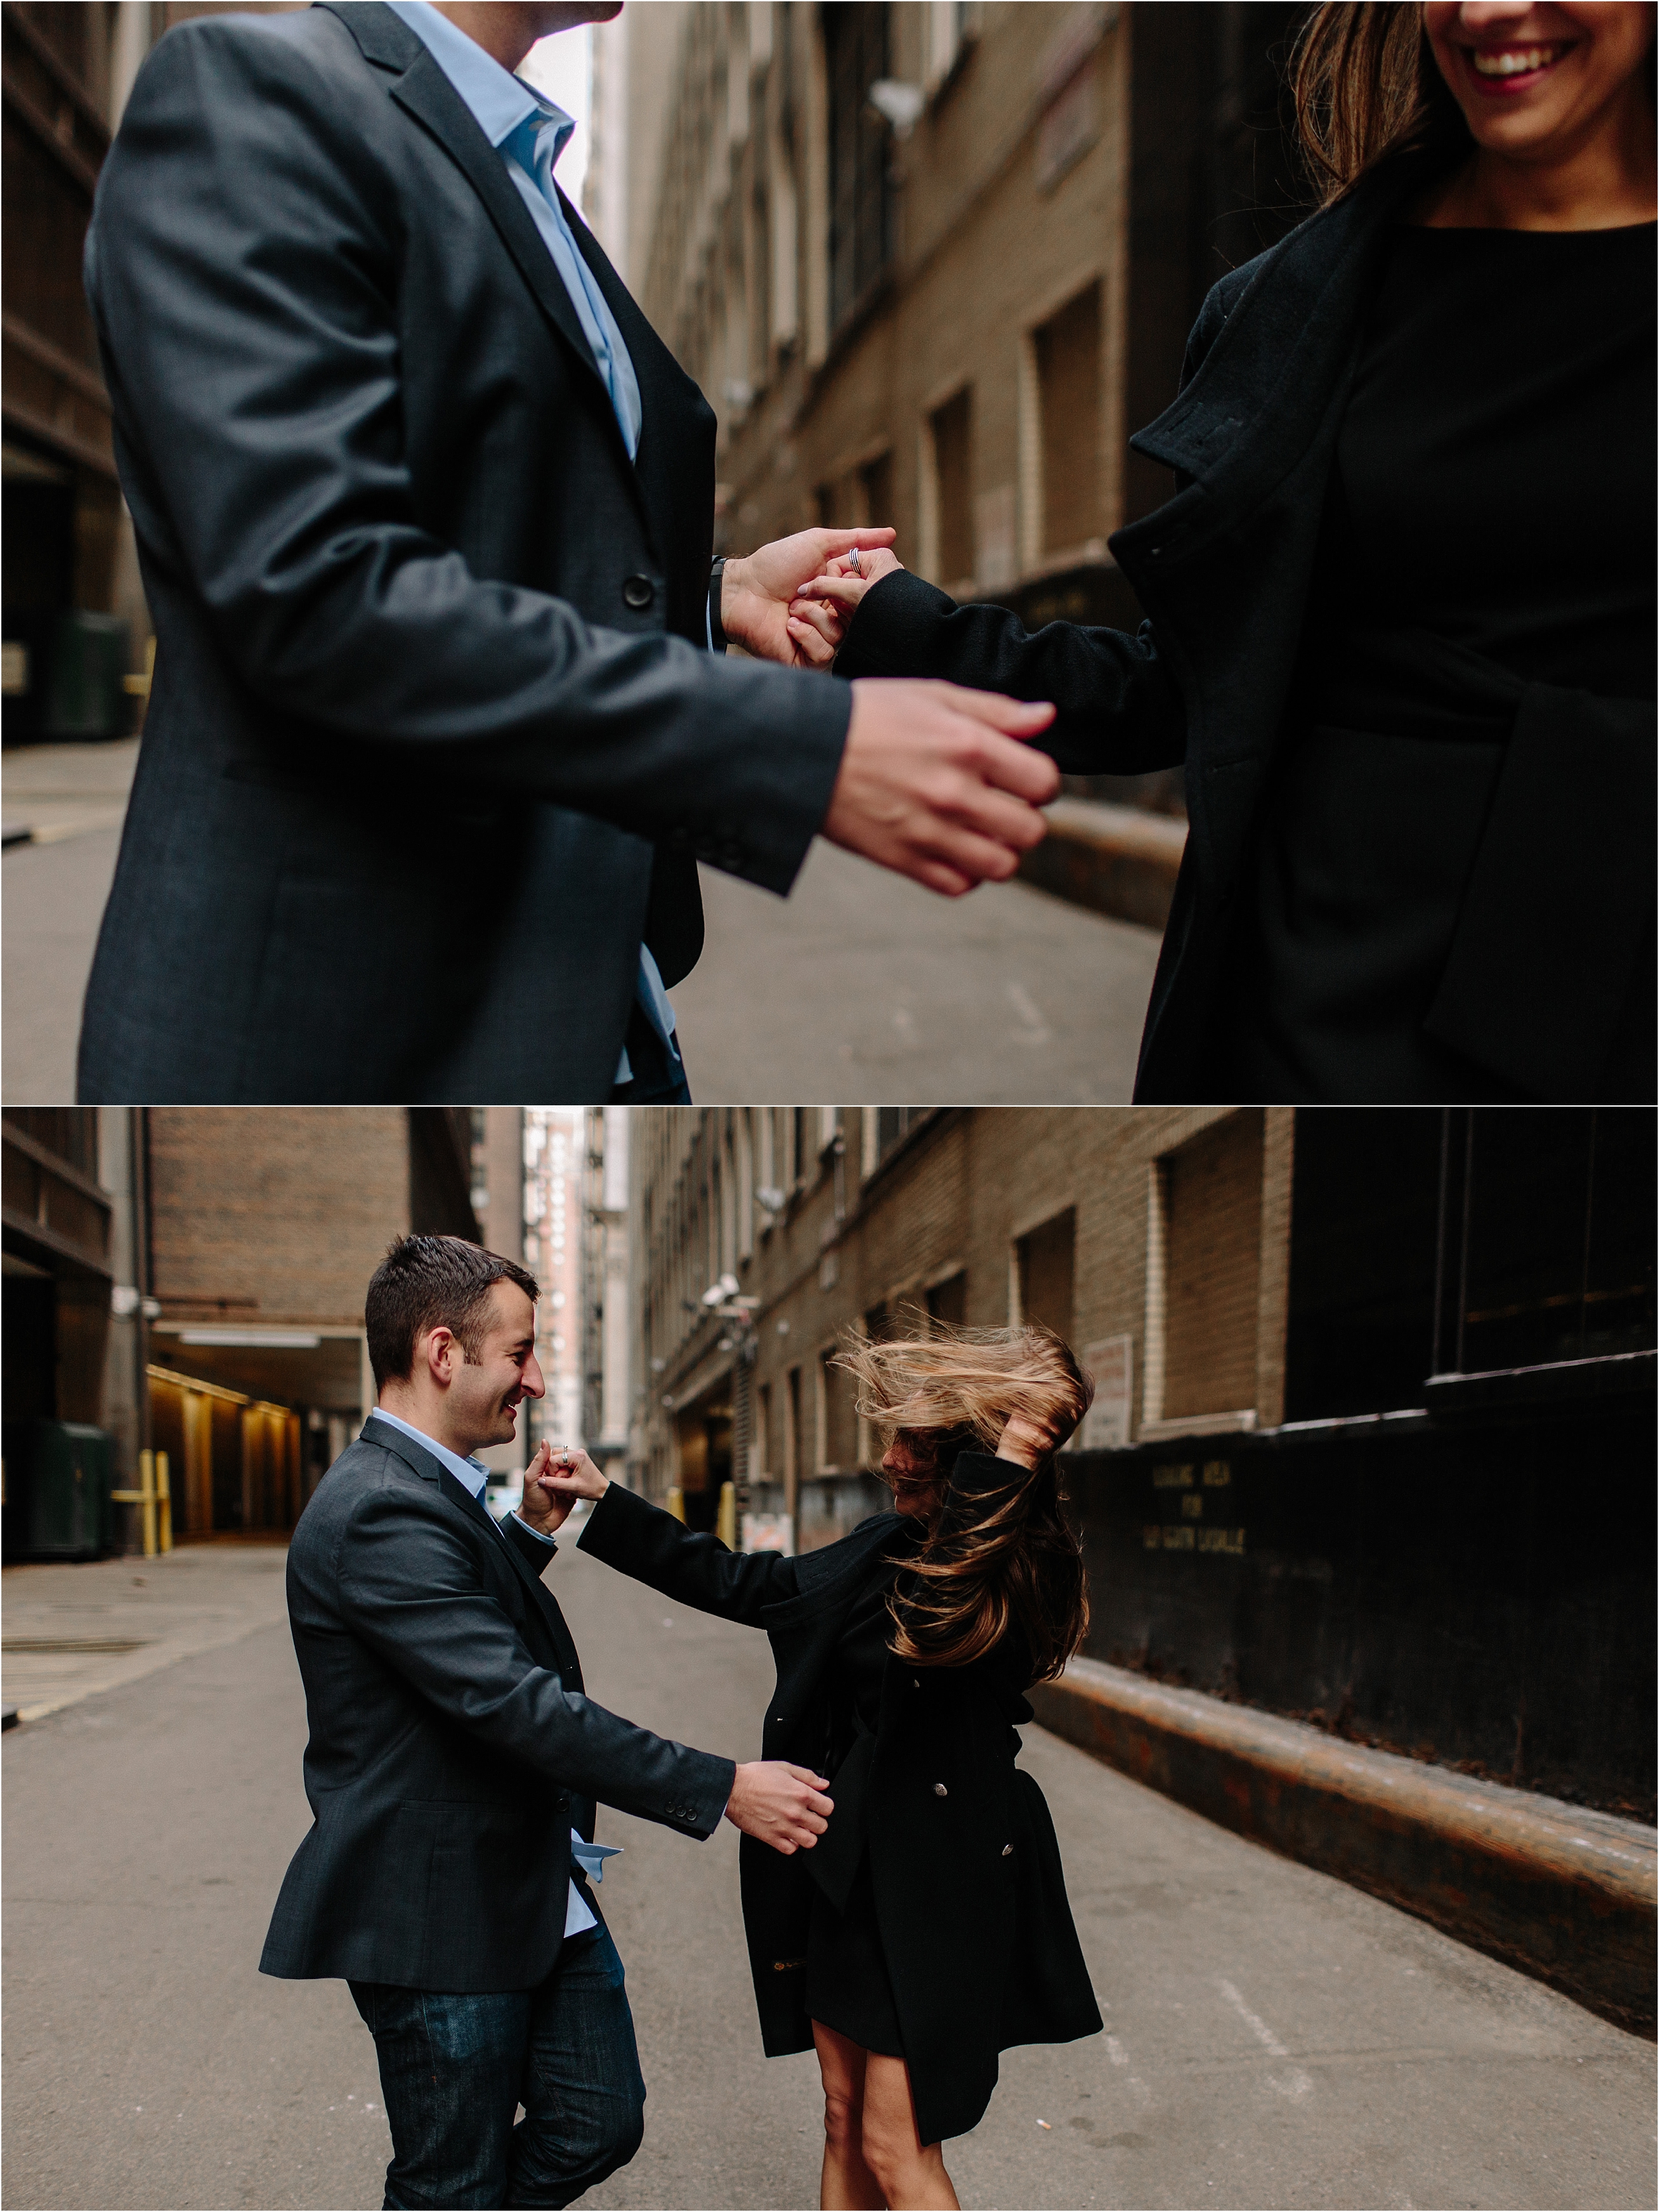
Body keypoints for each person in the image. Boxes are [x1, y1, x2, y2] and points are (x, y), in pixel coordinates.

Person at [76, 0, 1058, 1105]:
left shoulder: (523, 174)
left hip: (588, 1008)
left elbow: (485, 533)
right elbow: (317, 593)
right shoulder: (248, 93)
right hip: (349, 1033)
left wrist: (709, 600)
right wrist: (797, 752)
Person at [792, 0, 1656, 1107]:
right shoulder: (1291, 314)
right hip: (1328, 1002)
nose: (1487, 11)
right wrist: (905, 625)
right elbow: (1188, 689)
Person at [260, 1235, 835, 2210]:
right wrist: (723, 1784)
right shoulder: (377, 1507)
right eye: (520, 1352)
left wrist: (525, 1535)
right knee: (450, 2181)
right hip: (439, 1917)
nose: (534, 1379)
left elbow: (453, 1637)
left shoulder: (428, 1488)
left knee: (596, 2119)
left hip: (525, 1883)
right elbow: (508, 1700)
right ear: (444, 1352)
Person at [529, 1323, 1104, 2212]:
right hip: (848, 1872)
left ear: (968, 1451)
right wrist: (607, 1504)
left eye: (910, 1438)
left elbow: (933, 1627)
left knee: (896, 2143)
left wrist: (1022, 1447)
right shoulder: (885, 1541)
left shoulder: (1012, 1566)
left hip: (940, 1884)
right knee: (842, 2118)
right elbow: (751, 1584)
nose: (884, 1457)